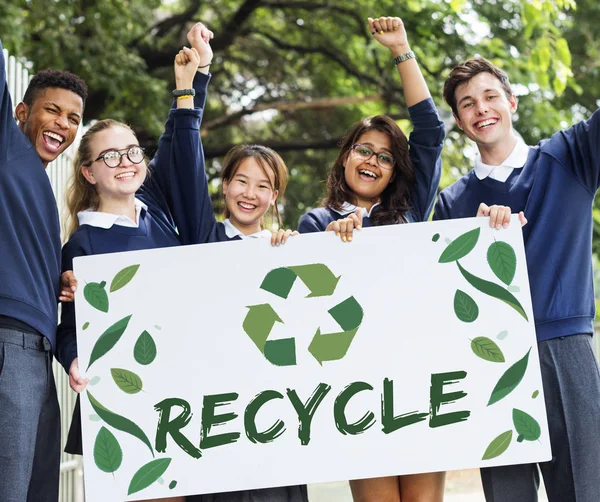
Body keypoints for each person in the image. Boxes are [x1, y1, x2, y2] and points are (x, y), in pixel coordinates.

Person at [433, 55, 600, 502]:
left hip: (566, 350)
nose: (481, 108)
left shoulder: (569, 156)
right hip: (493, 359)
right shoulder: (452, 204)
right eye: (467, 104)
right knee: (507, 496)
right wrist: (475, 236)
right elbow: (444, 291)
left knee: (585, 491)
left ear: (512, 102)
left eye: (490, 96)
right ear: (458, 121)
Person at [298, 16, 445, 502]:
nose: (372, 161)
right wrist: (330, 244)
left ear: (393, 173)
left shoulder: (411, 215)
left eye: (384, 157)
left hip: (418, 378)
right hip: (358, 392)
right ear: (344, 158)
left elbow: (429, 131)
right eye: (364, 149)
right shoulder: (314, 224)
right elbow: (304, 313)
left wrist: (402, 50)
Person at [0, 38, 87, 501]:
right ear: (19, 112)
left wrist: (56, 281)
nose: (63, 124)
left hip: (40, 355)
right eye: (52, 110)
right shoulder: (6, 148)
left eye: (73, 118)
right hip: (7, 346)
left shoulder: (40, 189)